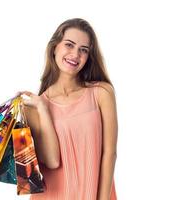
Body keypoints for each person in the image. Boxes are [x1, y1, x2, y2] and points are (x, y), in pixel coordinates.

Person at [19, 18, 118, 200]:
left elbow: (109, 153)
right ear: (55, 47)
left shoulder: (102, 93)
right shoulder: (34, 107)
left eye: (83, 50)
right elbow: (52, 161)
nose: (75, 54)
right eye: (69, 45)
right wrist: (43, 108)